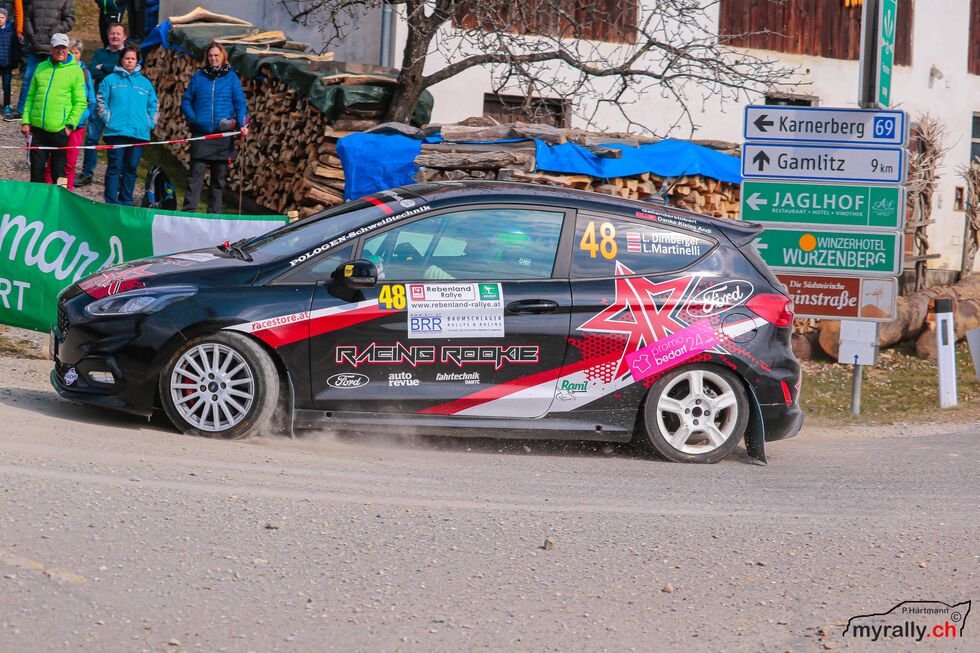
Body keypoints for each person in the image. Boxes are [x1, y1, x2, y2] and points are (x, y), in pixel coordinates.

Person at [180, 42, 248, 214]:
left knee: (218, 181)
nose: (213, 58)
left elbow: (240, 103)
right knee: (194, 178)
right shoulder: (198, 77)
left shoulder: (231, 78)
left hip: (222, 137)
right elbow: (186, 101)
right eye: (210, 55)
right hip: (201, 134)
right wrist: (193, 118)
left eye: (216, 55)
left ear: (223, 56)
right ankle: (188, 213)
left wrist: (243, 124)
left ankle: (214, 216)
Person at [20, 32, 86, 184]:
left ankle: (60, 199)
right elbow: (30, 97)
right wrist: (26, 121)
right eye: (57, 48)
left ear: (67, 49)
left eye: (63, 48)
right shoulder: (41, 67)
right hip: (38, 130)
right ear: (50, 49)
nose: (60, 51)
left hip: (59, 131)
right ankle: (37, 199)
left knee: (59, 174)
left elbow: (80, 102)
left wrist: (69, 125)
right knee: (36, 173)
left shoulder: (75, 71)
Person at [97, 45, 156, 205]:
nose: (129, 61)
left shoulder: (145, 83)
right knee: (115, 166)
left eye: (133, 59)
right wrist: (106, 118)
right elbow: (101, 100)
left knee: (131, 167)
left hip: (138, 132)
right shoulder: (110, 80)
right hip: (116, 131)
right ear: (121, 60)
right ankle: (111, 201)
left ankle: (127, 200)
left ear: (137, 61)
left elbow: (153, 104)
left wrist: (150, 122)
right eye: (127, 58)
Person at [77, 20, 126, 187]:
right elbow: (91, 72)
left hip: (118, 104)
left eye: (118, 33)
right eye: (112, 33)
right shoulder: (99, 52)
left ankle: (116, 177)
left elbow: (124, 73)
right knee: (92, 139)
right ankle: (87, 173)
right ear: (108, 35)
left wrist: (104, 67)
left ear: (124, 37)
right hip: (100, 101)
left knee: (116, 142)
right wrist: (113, 70)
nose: (115, 36)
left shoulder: (126, 55)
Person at [9, 0, 74, 121]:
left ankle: (52, 112)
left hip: (55, 49)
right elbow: (27, 17)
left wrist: (56, 32)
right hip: (36, 46)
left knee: (53, 81)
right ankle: (21, 110)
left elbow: (69, 20)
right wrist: (31, 34)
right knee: (29, 78)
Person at [44, 36, 93, 189]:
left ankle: (67, 192)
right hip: (59, 124)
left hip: (77, 126)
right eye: (70, 51)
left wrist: (81, 117)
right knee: (52, 161)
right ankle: (48, 190)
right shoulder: (58, 70)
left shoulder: (85, 73)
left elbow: (91, 100)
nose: (73, 55)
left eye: (76, 52)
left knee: (70, 163)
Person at [0, 8, 17, 115]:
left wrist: (15, 61)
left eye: (2, 17)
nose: (0, 19)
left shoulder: (11, 32)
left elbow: (15, 48)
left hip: (7, 63)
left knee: (6, 85)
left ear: (6, 18)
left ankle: (7, 105)